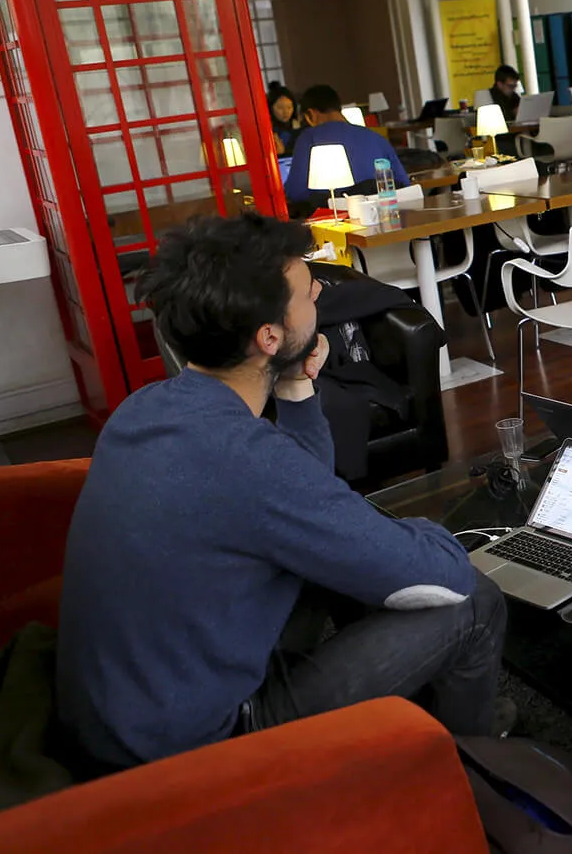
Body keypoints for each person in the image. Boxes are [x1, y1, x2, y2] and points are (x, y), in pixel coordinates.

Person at [57, 214, 510, 772]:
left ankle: (423, 712)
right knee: (476, 603)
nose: (320, 292)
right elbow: (445, 579)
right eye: (307, 290)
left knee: (339, 557)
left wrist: (297, 384)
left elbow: (304, 485)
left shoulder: (146, 407)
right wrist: (416, 536)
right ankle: (467, 775)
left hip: (125, 715)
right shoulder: (247, 459)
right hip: (199, 749)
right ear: (268, 336)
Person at [283, 84, 409, 214]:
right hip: (384, 216)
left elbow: (295, 192)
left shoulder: (309, 138)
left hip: (337, 220)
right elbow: (403, 185)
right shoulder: (375, 136)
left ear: (310, 114)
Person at [267, 83, 303, 157]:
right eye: (280, 107)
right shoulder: (268, 130)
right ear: (271, 108)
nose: (286, 112)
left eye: (289, 107)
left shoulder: (299, 127)